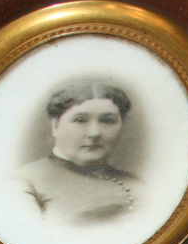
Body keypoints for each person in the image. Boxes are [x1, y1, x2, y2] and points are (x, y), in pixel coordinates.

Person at [14, 82, 138, 226]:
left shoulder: (136, 183)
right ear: (55, 126)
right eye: (80, 120)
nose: (94, 133)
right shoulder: (23, 182)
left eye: (107, 121)